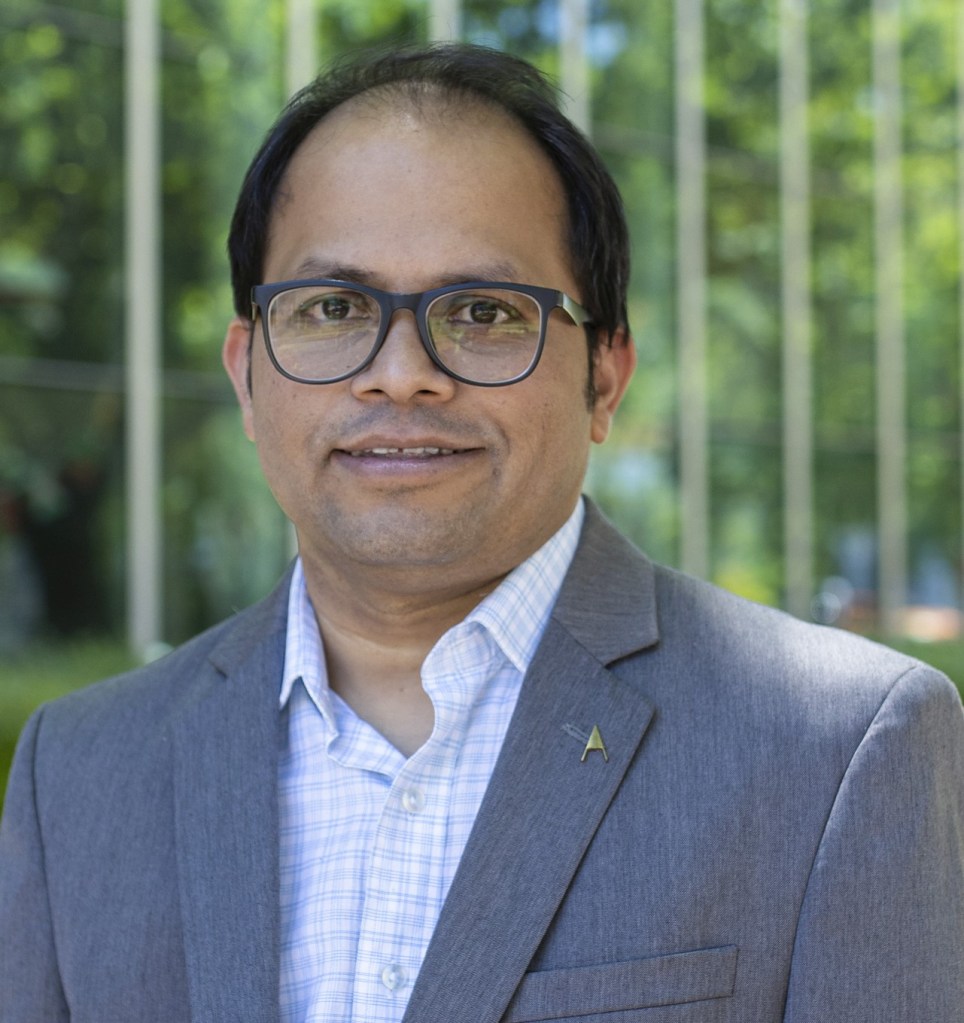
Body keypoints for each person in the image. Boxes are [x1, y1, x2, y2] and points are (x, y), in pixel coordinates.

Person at [1, 43, 962, 1023]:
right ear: (248, 372)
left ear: (604, 377)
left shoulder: (836, 750)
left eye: (483, 311)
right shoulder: (79, 772)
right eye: (334, 307)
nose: (402, 373)